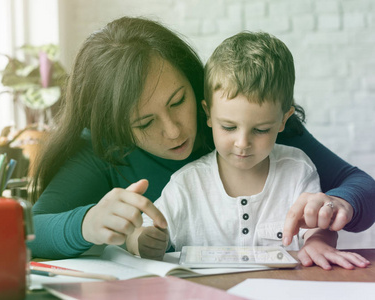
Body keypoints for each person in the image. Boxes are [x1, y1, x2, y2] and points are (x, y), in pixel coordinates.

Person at [28, 16, 375, 259]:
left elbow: (359, 185)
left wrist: (341, 204)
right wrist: (86, 223)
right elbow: (30, 231)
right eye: (145, 122)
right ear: (115, 127)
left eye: (179, 101)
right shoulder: (101, 147)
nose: (174, 130)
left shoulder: (246, 116)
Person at [126, 31, 370, 270]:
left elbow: (315, 224)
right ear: (208, 114)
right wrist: (143, 241)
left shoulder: (297, 169)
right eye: (228, 127)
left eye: (261, 130)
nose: (242, 143)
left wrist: (319, 240)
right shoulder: (186, 184)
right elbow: (143, 230)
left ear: (284, 120)